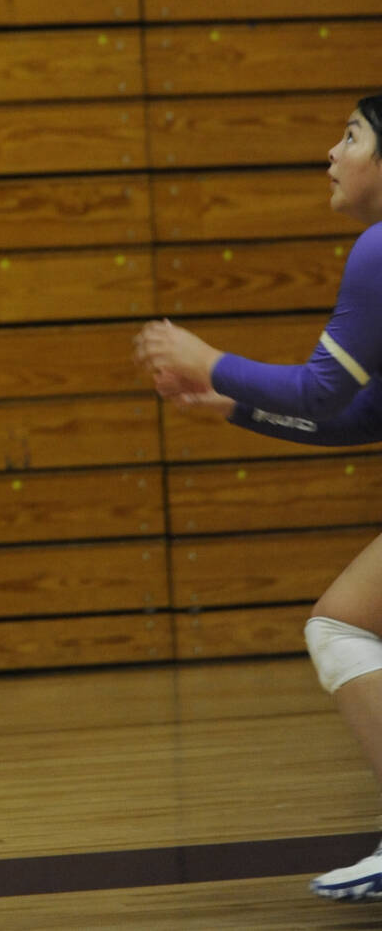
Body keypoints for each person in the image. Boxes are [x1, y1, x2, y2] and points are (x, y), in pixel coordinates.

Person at [135, 93, 382, 904]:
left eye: (351, 135)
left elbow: (320, 389)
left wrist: (210, 361)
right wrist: (234, 406)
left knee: (341, 625)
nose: (332, 153)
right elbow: (356, 418)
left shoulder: (379, 249)